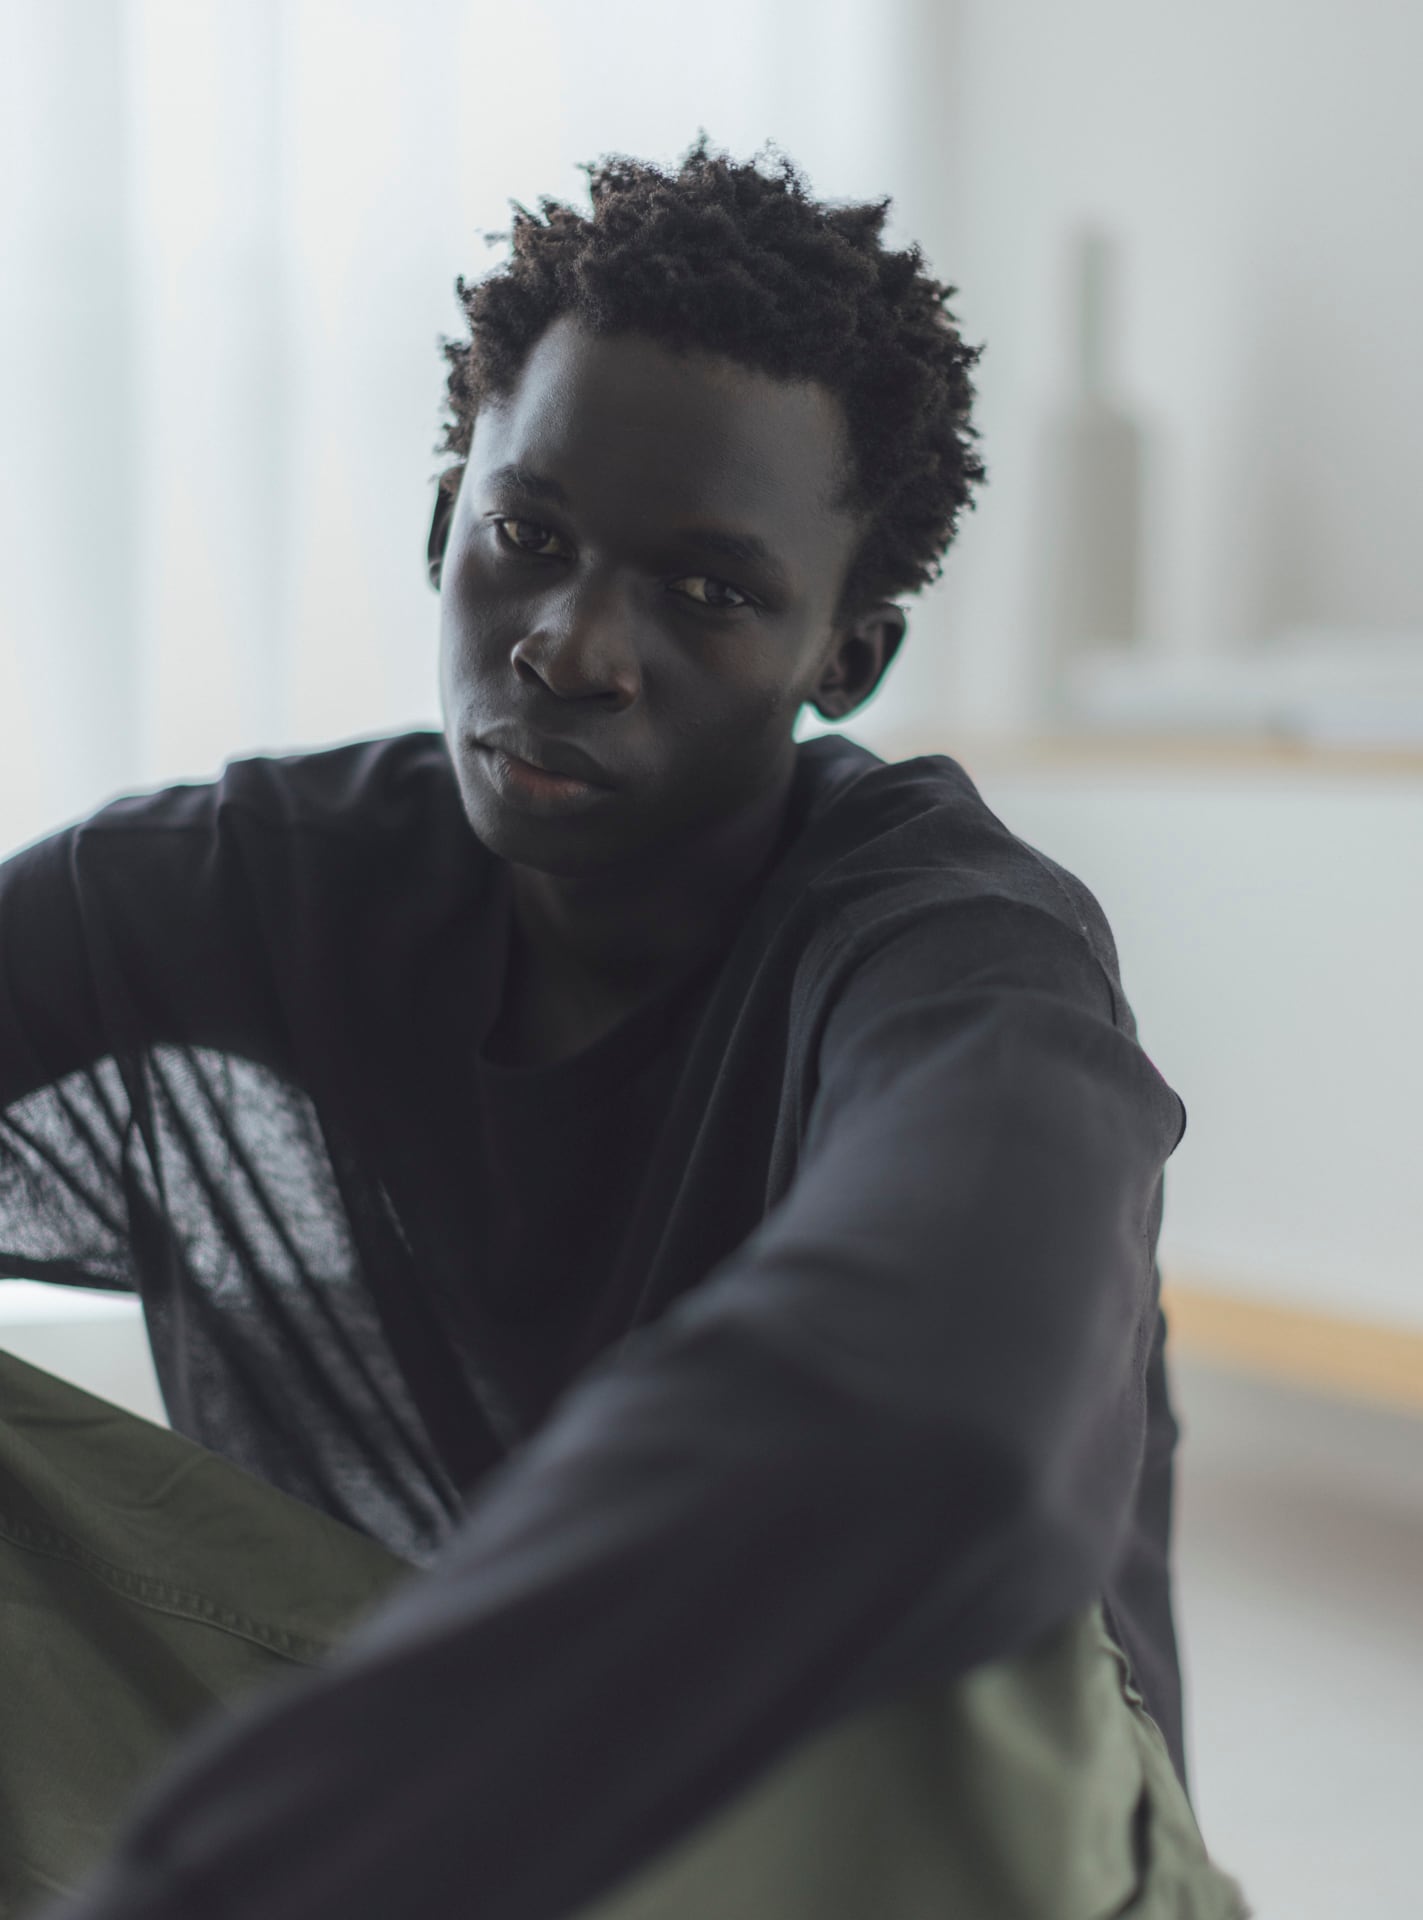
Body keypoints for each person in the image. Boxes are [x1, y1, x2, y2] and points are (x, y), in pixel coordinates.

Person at [0, 135, 1246, 1918]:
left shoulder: (954, 946)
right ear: (447, 522)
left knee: (910, 1557)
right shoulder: (247, 883)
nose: (573, 647)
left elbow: (946, 1420)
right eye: (528, 538)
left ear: (845, 657)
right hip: (427, 1794)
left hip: (903, 1819)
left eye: (709, 590)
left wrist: (246, 1855)